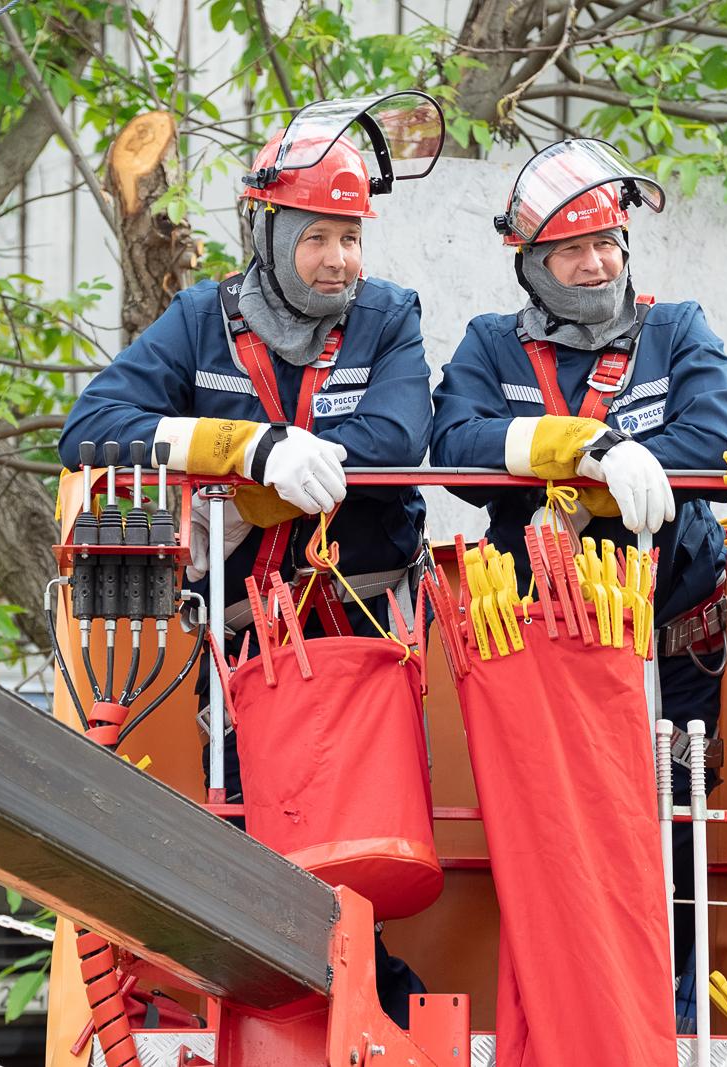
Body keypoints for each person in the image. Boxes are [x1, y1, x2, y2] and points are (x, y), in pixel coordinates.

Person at [58, 94, 443, 1026]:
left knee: (351, 838)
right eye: (318, 236)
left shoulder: (390, 316)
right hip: (232, 641)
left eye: (351, 236)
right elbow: (92, 428)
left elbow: (395, 439)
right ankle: (269, 1003)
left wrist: (266, 462)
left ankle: (371, 996)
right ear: (268, 231)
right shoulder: (200, 320)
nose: (340, 259)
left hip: (354, 627)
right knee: (250, 833)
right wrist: (248, 449)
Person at [429, 138, 727, 1028]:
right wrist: (569, 447)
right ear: (532, 265)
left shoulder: (677, 329)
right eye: (575, 249)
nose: (598, 261)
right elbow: (452, 445)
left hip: (671, 642)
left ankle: (672, 1006)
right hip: (544, 644)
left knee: (673, 822)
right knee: (550, 829)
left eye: (609, 241)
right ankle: (558, 998)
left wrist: (624, 460)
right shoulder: (492, 347)